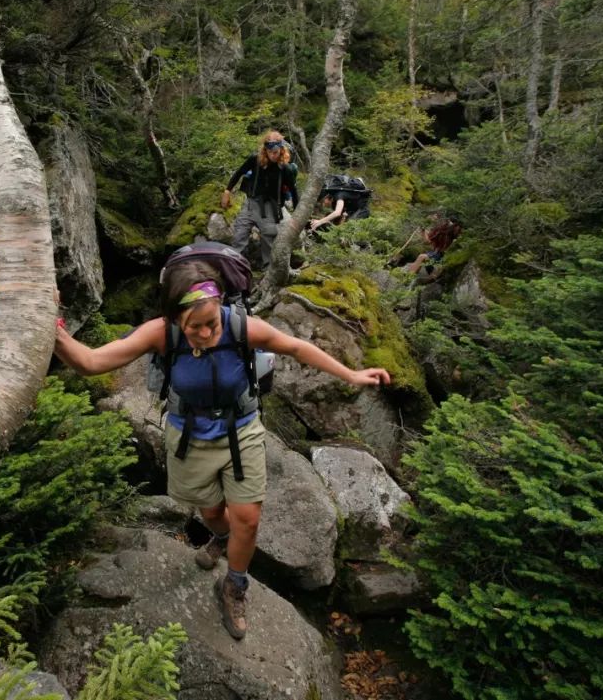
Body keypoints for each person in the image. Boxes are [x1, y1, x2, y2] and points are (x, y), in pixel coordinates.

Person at [53, 260, 391, 641]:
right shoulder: (161, 334)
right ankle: (223, 537)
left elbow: (295, 346)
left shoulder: (239, 325)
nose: (206, 333)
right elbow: (91, 362)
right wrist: (54, 329)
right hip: (190, 433)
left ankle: (235, 584)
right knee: (212, 511)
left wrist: (351, 374)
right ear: (175, 318)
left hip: (240, 429)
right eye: (194, 326)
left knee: (246, 516)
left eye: (211, 323)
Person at [221, 131, 298, 269]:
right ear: (265, 150)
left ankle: (268, 272)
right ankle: (235, 267)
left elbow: (293, 190)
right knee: (239, 234)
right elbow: (239, 173)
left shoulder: (285, 169)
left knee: (269, 237)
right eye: (271, 152)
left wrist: (296, 217)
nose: (275, 155)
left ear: (282, 150)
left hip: (270, 208)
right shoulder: (254, 160)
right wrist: (227, 191)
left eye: (277, 151)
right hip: (250, 204)